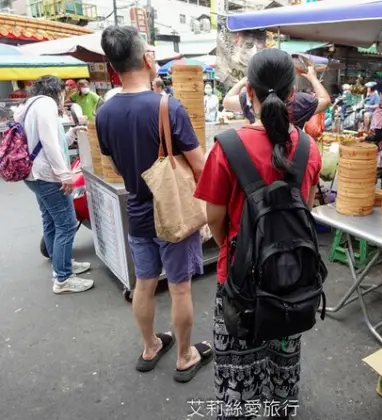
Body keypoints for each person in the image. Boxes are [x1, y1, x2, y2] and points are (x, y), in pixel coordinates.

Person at [195, 48, 322, 420]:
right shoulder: (309, 149)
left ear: (248, 90)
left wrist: (235, 251)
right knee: (283, 366)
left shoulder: (227, 147)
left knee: (239, 369)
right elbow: (306, 210)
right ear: (292, 92)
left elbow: (215, 218)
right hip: (292, 281)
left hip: (239, 283)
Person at [96, 26, 212, 381]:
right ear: (148, 59)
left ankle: (150, 346)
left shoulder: (104, 113)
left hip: (138, 212)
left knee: (144, 283)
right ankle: (185, 355)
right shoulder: (168, 106)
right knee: (179, 287)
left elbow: (116, 167)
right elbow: (201, 166)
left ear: (113, 66)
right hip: (173, 213)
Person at [15, 75, 94, 294]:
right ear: (56, 91)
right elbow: (50, 144)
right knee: (67, 224)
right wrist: (65, 175)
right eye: (63, 93)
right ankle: (63, 278)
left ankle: (62, 264)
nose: (64, 98)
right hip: (47, 175)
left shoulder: (30, 105)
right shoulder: (47, 104)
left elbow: (45, 141)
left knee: (50, 221)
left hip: (34, 175)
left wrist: (71, 133)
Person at [222, 64, 330, 129]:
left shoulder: (250, 100)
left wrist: (244, 80)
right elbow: (326, 101)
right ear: (291, 92)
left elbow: (226, 102)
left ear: (250, 91)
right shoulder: (300, 101)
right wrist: (313, 78)